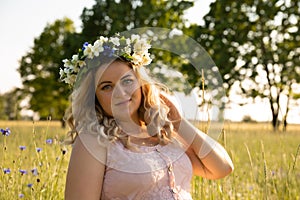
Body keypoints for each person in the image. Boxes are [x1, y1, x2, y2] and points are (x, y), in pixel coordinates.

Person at [60, 33, 234, 200]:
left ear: (141, 84)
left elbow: (222, 168)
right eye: (107, 87)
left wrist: (179, 122)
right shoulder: (94, 142)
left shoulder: (165, 134)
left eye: (127, 81)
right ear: (94, 97)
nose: (119, 93)